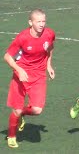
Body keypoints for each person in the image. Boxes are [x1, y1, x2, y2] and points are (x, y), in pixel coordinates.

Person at [4, 9, 55, 148]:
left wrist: (49, 65)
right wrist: (19, 70)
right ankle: (12, 135)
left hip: (38, 75)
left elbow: (50, 48)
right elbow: (7, 56)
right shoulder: (23, 37)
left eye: (43, 21)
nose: (41, 24)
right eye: (38, 21)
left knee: (37, 110)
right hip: (21, 76)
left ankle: (21, 116)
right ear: (30, 22)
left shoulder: (49, 34)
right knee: (16, 110)